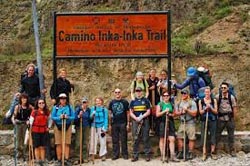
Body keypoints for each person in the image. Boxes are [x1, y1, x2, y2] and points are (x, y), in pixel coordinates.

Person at [51, 93, 75, 166]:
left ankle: (66, 159)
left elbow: (73, 117)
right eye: (61, 98)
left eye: (64, 98)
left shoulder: (69, 107)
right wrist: (59, 117)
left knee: (67, 143)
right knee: (58, 143)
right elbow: (53, 117)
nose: (63, 100)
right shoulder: (56, 107)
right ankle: (59, 159)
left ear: (66, 99)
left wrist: (68, 117)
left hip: (67, 126)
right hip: (58, 126)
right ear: (59, 99)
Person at [156, 91, 179, 162]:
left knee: (172, 138)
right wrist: (164, 111)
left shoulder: (171, 104)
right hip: (162, 122)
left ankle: (172, 155)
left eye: (167, 96)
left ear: (169, 96)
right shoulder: (160, 104)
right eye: (164, 96)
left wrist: (171, 114)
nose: (166, 97)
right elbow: (157, 114)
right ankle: (163, 155)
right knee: (162, 138)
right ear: (162, 97)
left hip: (170, 122)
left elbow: (174, 114)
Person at [129, 87, 151, 162]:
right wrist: (136, 118)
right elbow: (131, 112)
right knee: (135, 138)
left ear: (142, 92)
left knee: (146, 138)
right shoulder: (132, 101)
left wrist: (142, 117)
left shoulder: (146, 100)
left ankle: (147, 155)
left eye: (139, 91)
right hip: (135, 121)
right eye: (137, 91)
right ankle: (135, 155)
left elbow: (148, 111)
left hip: (145, 121)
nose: (138, 92)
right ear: (135, 92)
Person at [216, 82, 237, 157]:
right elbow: (216, 107)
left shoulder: (231, 97)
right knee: (217, 135)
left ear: (227, 88)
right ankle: (215, 150)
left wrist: (233, 118)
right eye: (222, 88)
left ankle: (232, 151)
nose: (223, 89)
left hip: (229, 118)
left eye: (224, 88)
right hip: (221, 118)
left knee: (231, 135)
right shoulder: (218, 97)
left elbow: (234, 108)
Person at [175, 89, 197, 160]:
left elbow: (194, 113)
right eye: (182, 93)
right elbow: (176, 113)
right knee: (179, 137)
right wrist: (181, 112)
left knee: (191, 138)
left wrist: (187, 110)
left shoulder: (192, 103)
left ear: (188, 94)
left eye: (185, 93)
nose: (183, 95)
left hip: (190, 122)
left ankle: (190, 152)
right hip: (182, 122)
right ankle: (181, 152)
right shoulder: (178, 102)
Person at [108, 88, 129, 160]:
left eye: (119, 92)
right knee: (115, 140)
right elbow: (110, 113)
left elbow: (128, 113)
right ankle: (115, 154)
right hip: (114, 123)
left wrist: (128, 123)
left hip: (123, 123)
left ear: (121, 93)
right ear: (114, 93)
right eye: (116, 92)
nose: (117, 93)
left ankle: (125, 154)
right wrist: (109, 124)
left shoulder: (125, 102)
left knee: (124, 139)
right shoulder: (111, 102)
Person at [198, 86, 218, 160]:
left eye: (208, 92)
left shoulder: (214, 100)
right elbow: (200, 112)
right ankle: (204, 153)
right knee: (204, 136)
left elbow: (216, 111)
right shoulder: (201, 101)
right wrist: (205, 109)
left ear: (210, 93)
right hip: (204, 120)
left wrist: (211, 108)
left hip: (212, 120)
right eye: (206, 92)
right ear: (204, 93)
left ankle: (213, 152)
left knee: (213, 136)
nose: (207, 93)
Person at [11, 93, 33, 161]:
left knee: (26, 140)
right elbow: (13, 117)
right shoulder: (17, 107)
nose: (24, 100)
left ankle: (26, 154)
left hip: (26, 124)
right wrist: (13, 121)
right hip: (18, 124)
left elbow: (33, 115)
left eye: (25, 98)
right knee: (18, 140)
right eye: (23, 98)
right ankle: (19, 154)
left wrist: (29, 121)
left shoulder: (30, 107)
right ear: (20, 99)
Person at [29, 98, 50, 165]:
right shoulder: (34, 112)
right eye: (39, 103)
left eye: (42, 103)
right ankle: (38, 160)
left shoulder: (46, 111)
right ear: (37, 104)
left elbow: (50, 119)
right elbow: (31, 122)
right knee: (37, 146)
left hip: (44, 131)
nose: (41, 104)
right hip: (35, 131)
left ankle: (42, 160)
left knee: (42, 146)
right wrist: (30, 129)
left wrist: (48, 127)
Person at [89, 97, 109, 162]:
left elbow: (106, 118)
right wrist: (92, 114)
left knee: (102, 141)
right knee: (93, 141)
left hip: (101, 126)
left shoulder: (104, 109)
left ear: (102, 102)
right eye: (97, 101)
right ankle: (92, 154)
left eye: (99, 101)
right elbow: (90, 118)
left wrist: (105, 127)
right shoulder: (93, 108)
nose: (98, 102)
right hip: (94, 126)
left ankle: (103, 155)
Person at [74, 97, 91, 164]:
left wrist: (92, 117)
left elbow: (90, 119)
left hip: (86, 127)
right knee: (78, 142)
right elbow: (74, 119)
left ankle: (85, 157)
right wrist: (79, 116)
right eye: (83, 102)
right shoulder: (78, 109)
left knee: (85, 142)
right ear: (81, 103)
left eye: (85, 102)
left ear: (87, 103)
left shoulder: (88, 110)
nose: (84, 103)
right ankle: (77, 158)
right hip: (79, 127)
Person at [146, 69, 160, 135]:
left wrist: (156, 87)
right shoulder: (147, 81)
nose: (153, 74)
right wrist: (150, 88)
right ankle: (150, 128)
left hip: (156, 99)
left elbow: (159, 87)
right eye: (151, 72)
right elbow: (145, 89)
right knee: (150, 114)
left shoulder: (157, 80)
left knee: (156, 114)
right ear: (149, 73)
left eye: (154, 72)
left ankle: (156, 129)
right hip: (149, 99)